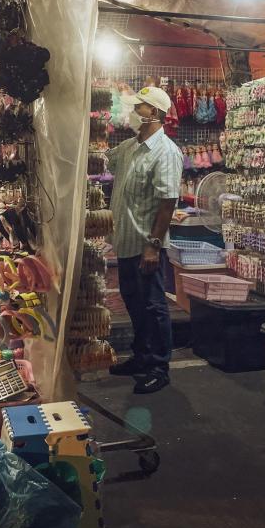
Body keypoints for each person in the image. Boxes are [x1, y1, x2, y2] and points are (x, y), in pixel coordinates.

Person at [106, 86, 183, 394]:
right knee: (134, 303)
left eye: (140, 106)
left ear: (155, 114)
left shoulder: (166, 152)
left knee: (153, 306)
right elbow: (102, 163)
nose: (133, 110)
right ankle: (141, 356)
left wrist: (153, 245)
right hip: (125, 241)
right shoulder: (128, 148)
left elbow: (168, 204)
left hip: (145, 245)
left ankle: (159, 366)